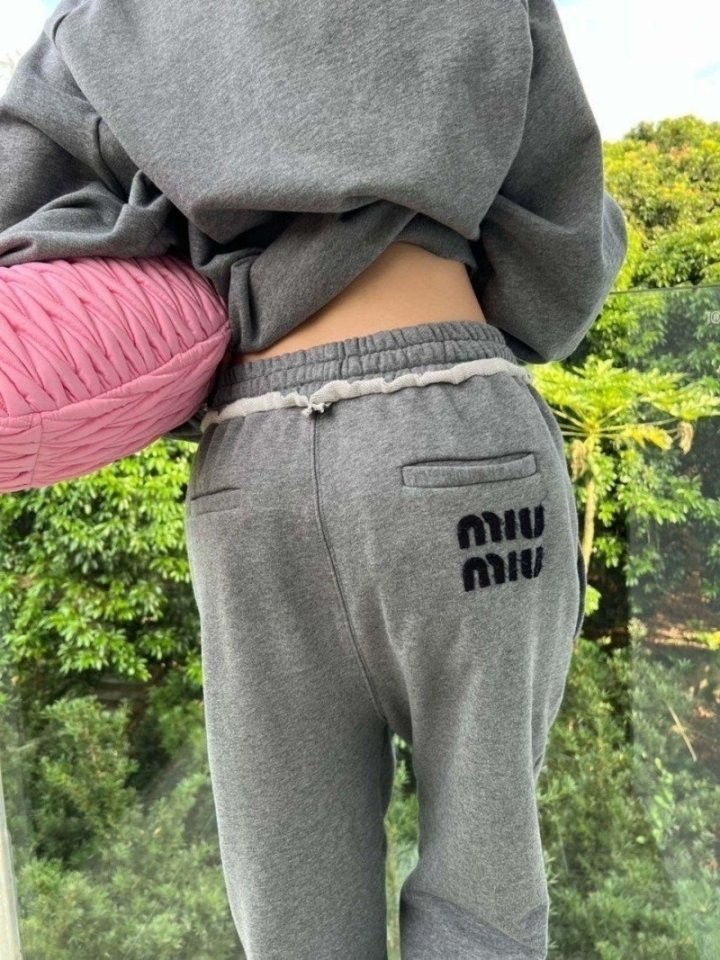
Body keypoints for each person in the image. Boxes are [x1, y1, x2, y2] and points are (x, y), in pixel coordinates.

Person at [0, 1, 627, 957]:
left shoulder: (103, 19)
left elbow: (26, 229)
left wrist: (184, 222)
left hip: (253, 468)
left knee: (291, 905)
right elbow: (564, 250)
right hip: (463, 441)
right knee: (485, 891)